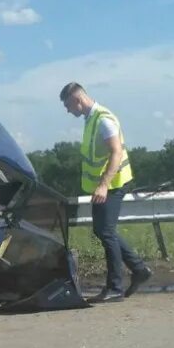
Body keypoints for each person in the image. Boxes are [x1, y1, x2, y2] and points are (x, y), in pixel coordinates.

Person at [60, 82, 151, 302]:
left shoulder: (103, 119)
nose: (67, 110)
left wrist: (103, 185)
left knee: (106, 232)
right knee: (103, 231)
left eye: (67, 105)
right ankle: (139, 270)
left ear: (77, 100)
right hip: (104, 185)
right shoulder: (91, 119)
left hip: (113, 184)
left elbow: (116, 153)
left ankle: (115, 288)